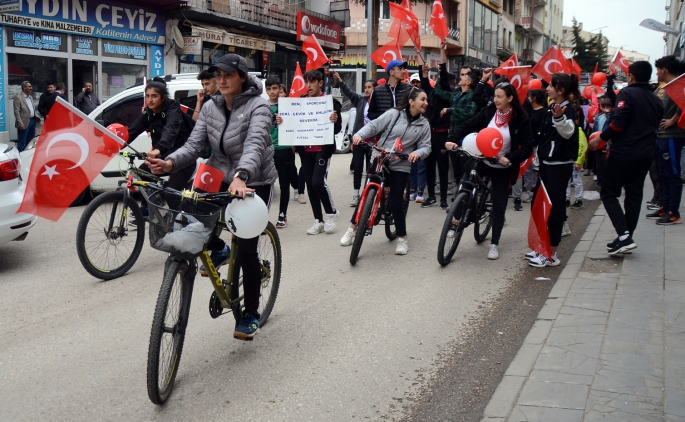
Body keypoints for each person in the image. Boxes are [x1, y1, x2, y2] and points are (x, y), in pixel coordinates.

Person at [146, 54, 277, 340]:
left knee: (246, 249)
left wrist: (242, 175)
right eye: (218, 75)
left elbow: (255, 143)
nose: (221, 80)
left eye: (228, 75)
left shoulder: (259, 106)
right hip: (218, 174)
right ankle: (217, 249)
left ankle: (251, 313)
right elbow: (194, 145)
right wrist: (169, 163)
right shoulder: (210, 106)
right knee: (186, 213)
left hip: (253, 180)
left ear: (242, 76)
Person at [445, 81, 533, 260]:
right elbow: (469, 124)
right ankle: (457, 221)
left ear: (510, 98)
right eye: (495, 96)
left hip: (502, 166)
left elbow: (528, 147)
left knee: (499, 206)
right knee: (465, 186)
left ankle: (494, 243)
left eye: (500, 96)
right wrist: (452, 138)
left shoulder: (521, 119)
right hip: (482, 159)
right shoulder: (489, 112)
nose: (496, 99)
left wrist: (510, 157)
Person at [340, 87, 432, 255]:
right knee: (366, 194)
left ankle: (402, 238)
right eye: (423, 99)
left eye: (426, 100)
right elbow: (374, 126)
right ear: (411, 101)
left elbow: (426, 147)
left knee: (396, 201)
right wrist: (359, 135)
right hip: (380, 157)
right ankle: (352, 230)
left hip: (401, 163)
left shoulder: (424, 123)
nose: (426, 103)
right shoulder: (395, 114)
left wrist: (416, 153)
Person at [588, 61, 664, 255]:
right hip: (646, 154)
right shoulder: (656, 99)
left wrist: (600, 139)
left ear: (630, 76)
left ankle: (623, 235)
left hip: (624, 152)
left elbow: (618, 123)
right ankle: (625, 237)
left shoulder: (627, 93)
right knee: (634, 196)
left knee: (608, 192)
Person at [525, 73, 580, 267]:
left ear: (561, 90)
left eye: (550, 86)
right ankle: (541, 246)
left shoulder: (568, 111)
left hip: (559, 166)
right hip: (546, 165)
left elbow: (568, 132)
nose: (546, 89)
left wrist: (559, 118)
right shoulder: (552, 108)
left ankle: (551, 253)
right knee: (539, 205)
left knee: (554, 208)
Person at [126, 77, 194, 214]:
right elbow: (131, 131)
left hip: (182, 160)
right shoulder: (149, 112)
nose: (150, 100)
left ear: (163, 98)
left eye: (154, 96)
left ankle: (182, 221)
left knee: (170, 194)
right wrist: (115, 144)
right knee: (141, 173)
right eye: (147, 96)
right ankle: (149, 208)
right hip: (162, 158)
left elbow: (170, 131)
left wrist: (158, 148)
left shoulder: (173, 110)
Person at [294, 69, 342, 235]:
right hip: (305, 150)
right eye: (306, 82)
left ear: (320, 83)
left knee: (317, 182)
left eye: (312, 82)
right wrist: (282, 120)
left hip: (322, 149)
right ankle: (318, 220)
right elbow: (294, 122)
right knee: (309, 185)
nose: (308, 86)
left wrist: (334, 121)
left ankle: (331, 212)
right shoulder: (300, 102)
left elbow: (337, 129)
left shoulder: (331, 103)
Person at [332, 71, 376, 206]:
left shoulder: (379, 102)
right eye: (365, 87)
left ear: (375, 89)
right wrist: (340, 81)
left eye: (369, 87)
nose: (366, 89)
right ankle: (356, 194)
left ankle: (368, 194)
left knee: (371, 168)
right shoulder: (360, 100)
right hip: (359, 140)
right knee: (357, 167)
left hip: (373, 142)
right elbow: (349, 92)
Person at [650, 55, 685, 224]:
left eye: (657, 70)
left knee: (672, 174)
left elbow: (683, 102)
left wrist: (674, 119)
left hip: (672, 136)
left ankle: (674, 212)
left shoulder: (678, 85)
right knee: (663, 173)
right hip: (661, 135)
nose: (656, 74)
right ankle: (664, 206)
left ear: (664, 70)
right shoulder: (666, 87)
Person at [418, 61, 454, 210]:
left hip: (441, 135)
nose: (439, 80)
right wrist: (423, 69)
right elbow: (424, 82)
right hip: (428, 135)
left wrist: (442, 55)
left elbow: (444, 78)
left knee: (443, 167)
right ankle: (431, 196)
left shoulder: (446, 93)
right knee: (429, 166)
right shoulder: (430, 93)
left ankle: (444, 198)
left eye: (441, 79)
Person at [264, 76, 293, 228]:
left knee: (284, 184)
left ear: (280, 89)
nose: (272, 92)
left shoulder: (287, 106)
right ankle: (262, 216)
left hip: (284, 149)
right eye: (269, 89)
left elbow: (296, 123)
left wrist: (286, 121)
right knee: (266, 184)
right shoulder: (262, 106)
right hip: (267, 150)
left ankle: (283, 215)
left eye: (274, 88)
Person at [512, 89, 545, 210]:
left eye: (530, 96)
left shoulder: (543, 112)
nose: (528, 98)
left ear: (534, 98)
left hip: (537, 144)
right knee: (526, 170)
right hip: (528, 143)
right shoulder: (528, 110)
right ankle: (528, 191)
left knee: (535, 168)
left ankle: (536, 192)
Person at [566, 107, 588, 209]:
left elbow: (583, 146)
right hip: (566, 160)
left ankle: (579, 199)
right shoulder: (565, 131)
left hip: (575, 161)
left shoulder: (579, 131)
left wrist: (579, 161)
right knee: (566, 181)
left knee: (576, 181)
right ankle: (566, 198)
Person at [13, 81, 39, 152]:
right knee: (22, 142)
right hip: (24, 122)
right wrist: (20, 123)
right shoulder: (18, 97)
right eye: (29, 87)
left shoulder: (30, 97)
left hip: (32, 121)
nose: (31, 88)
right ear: (24, 87)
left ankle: (28, 156)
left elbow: (32, 108)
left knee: (30, 141)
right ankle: (20, 157)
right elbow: (16, 112)